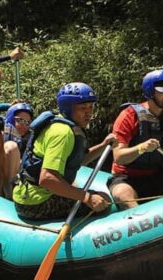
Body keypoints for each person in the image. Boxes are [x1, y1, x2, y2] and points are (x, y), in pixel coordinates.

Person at [13, 83, 118, 220]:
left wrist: (104, 145)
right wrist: (87, 198)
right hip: (37, 203)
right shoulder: (63, 133)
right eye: (82, 108)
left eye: (90, 107)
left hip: (28, 196)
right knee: (103, 199)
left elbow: (79, 160)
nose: (89, 113)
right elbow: (47, 179)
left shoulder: (59, 124)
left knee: (94, 196)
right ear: (68, 109)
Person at [108, 69, 163, 209]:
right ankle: (138, 223)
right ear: (150, 91)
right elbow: (118, 157)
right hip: (127, 177)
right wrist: (141, 148)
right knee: (123, 195)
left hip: (159, 174)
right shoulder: (128, 116)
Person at [3, 102, 35, 184]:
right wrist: (8, 105)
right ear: (11, 119)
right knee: (11, 146)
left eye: (27, 122)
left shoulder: (29, 139)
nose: (24, 125)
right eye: (21, 120)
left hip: (19, 181)